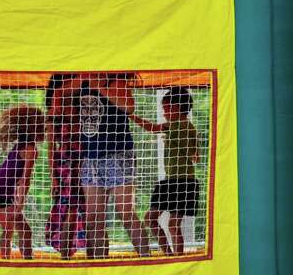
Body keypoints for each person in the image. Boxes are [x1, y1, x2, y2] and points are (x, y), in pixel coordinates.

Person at [79, 72, 148, 258]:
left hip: (117, 154)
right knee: (93, 218)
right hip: (90, 156)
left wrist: (99, 86)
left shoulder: (115, 82)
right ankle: (98, 263)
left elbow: (129, 106)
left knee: (125, 212)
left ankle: (145, 258)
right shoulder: (80, 83)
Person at [129, 87, 201, 255]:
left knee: (173, 224)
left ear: (177, 107)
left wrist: (131, 115)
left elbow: (195, 155)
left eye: (167, 108)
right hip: (170, 181)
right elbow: (153, 128)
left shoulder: (184, 126)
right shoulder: (173, 126)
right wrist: (131, 116)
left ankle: (178, 257)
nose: (164, 112)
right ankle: (169, 254)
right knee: (150, 219)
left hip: (184, 182)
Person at [0, 103, 46, 259]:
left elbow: (15, 177)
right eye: (43, 126)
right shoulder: (30, 150)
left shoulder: (22, 146)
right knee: (9, 230)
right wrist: (19, 204)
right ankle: (5, 262)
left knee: (24, 230)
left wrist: (17, 202)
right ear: (33, 129)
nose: (46, 129)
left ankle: (28, 261)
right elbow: (25, 179)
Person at [45, 73, 86, 260]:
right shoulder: (54, 114)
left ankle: (86, 252)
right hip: (65, 165)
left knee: (85, 208)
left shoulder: (83, 107)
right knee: (68, 206)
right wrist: (53, 176)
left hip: (85, 162)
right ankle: (65, 253)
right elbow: (51, 148)